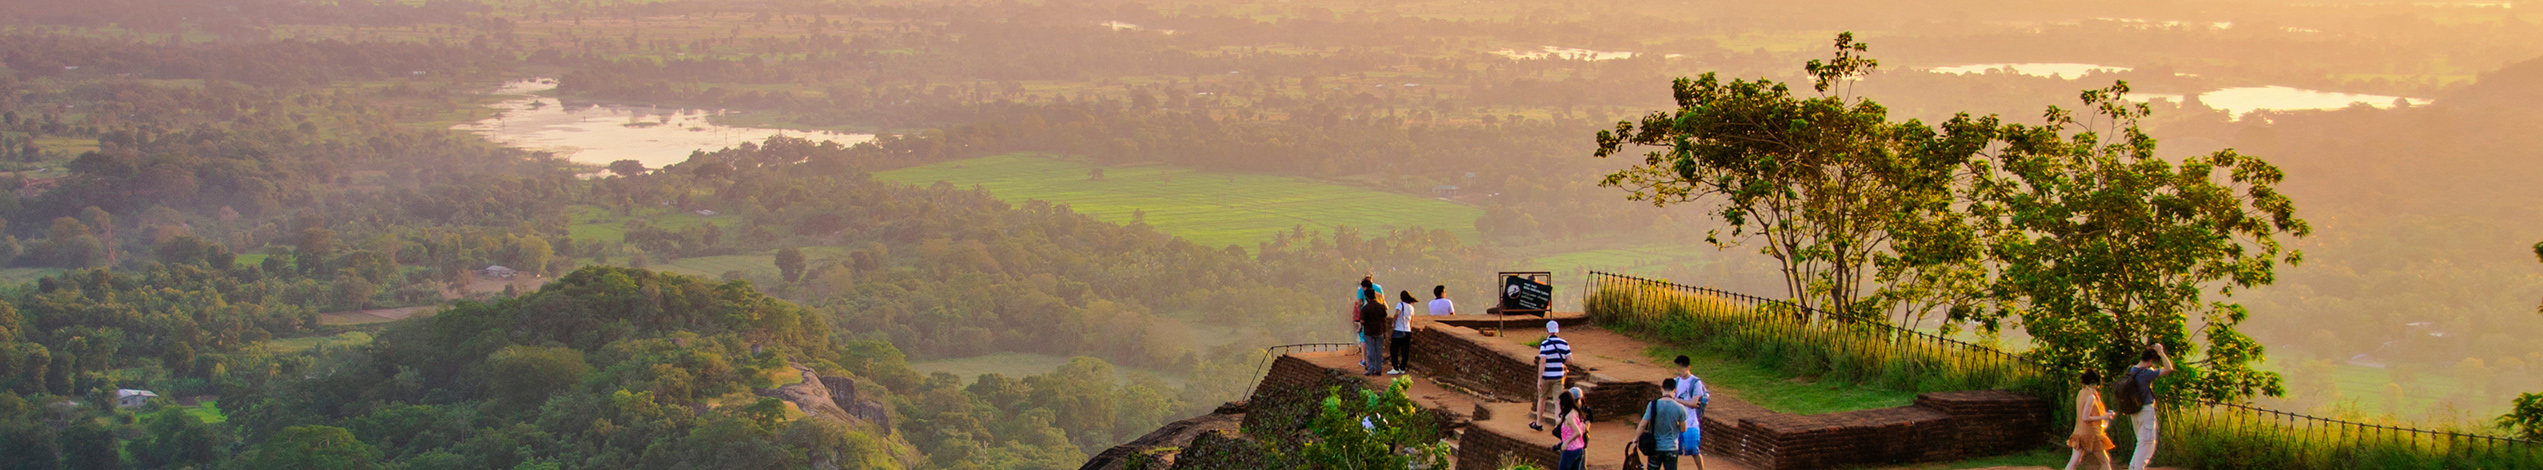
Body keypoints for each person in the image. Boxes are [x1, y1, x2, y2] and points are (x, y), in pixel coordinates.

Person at [2123, 343, 2174, 470]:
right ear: (2150, 360)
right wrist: (2161, 352)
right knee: (2145, 442)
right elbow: (2169, 369)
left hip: (2134, 409)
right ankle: (2137, 468)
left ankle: (2133, 467)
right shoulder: (2145, 373)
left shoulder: (2131, 370)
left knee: (2142, 442)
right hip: (2145, 410)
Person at [2068, 370, 2118, 470]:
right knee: (2105, 461)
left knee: (2074, 461)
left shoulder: (2081, 392)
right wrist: (2104, 417)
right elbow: (2085, 417)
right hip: (2091, 434)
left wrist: (2104, 415)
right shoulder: (2091, 397)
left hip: (2079, 431)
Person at [1636, 378, 1689, 470]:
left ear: (1662, 388)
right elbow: (1683, 429)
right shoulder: (1680, 408)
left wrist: (1635, 439)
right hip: (1671, 447)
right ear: (1675, 390)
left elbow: (1643, 424)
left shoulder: (1653, 405)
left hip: (1655, 447)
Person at [1529, 320, 1572, 430]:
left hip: (1546, 376)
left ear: (1547, 330)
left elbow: (1542, 361)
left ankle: (1538, 423)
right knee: (1557, 400)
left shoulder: (1545, 344)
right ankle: (1558, 422)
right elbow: (1570, 360)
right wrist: (1561, 363)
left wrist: (1539, 379)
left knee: (1542, 399)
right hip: (1559, 376)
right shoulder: (1564, 343)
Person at [1670, 356, 1710, 470]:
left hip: (1691, 421)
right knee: (1674, 451)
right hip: (1677, 421)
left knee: (1694, 450)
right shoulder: (1676, 381)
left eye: (1681, 368)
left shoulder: (1695, 382)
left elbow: (1693, 403)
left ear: (1688, 367)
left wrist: (1676, 400)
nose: (1679, 371)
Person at [1555, 388, 1590, 470]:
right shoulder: (1576, 412)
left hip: (1570, 450)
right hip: (1579, 449)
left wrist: (1566, 442)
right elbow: (1584, 428)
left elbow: (1578, 432)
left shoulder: (1569, 417)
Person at [1357, 286, 1389, 376]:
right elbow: (1384, 318)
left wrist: (1360, 328)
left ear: (1367, 297)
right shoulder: (1381, 307)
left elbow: (1362, 321)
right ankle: (1378, 369)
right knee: (1378, 351)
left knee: (1370, 350)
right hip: (1379, 331)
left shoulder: (1365, 309)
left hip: (1369, 332)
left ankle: (1370, 369)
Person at [1389, 290, 1417, 375]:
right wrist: (1410, 328)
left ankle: (1395, 367)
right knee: (1405, 351)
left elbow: (1397, 313)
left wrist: (1393, 322)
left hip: (1399, 330)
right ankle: (1402, 367)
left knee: (1394, 350)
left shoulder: (1400, 305)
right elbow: (1412, 320)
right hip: (1407, 330)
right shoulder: (1411, 307)